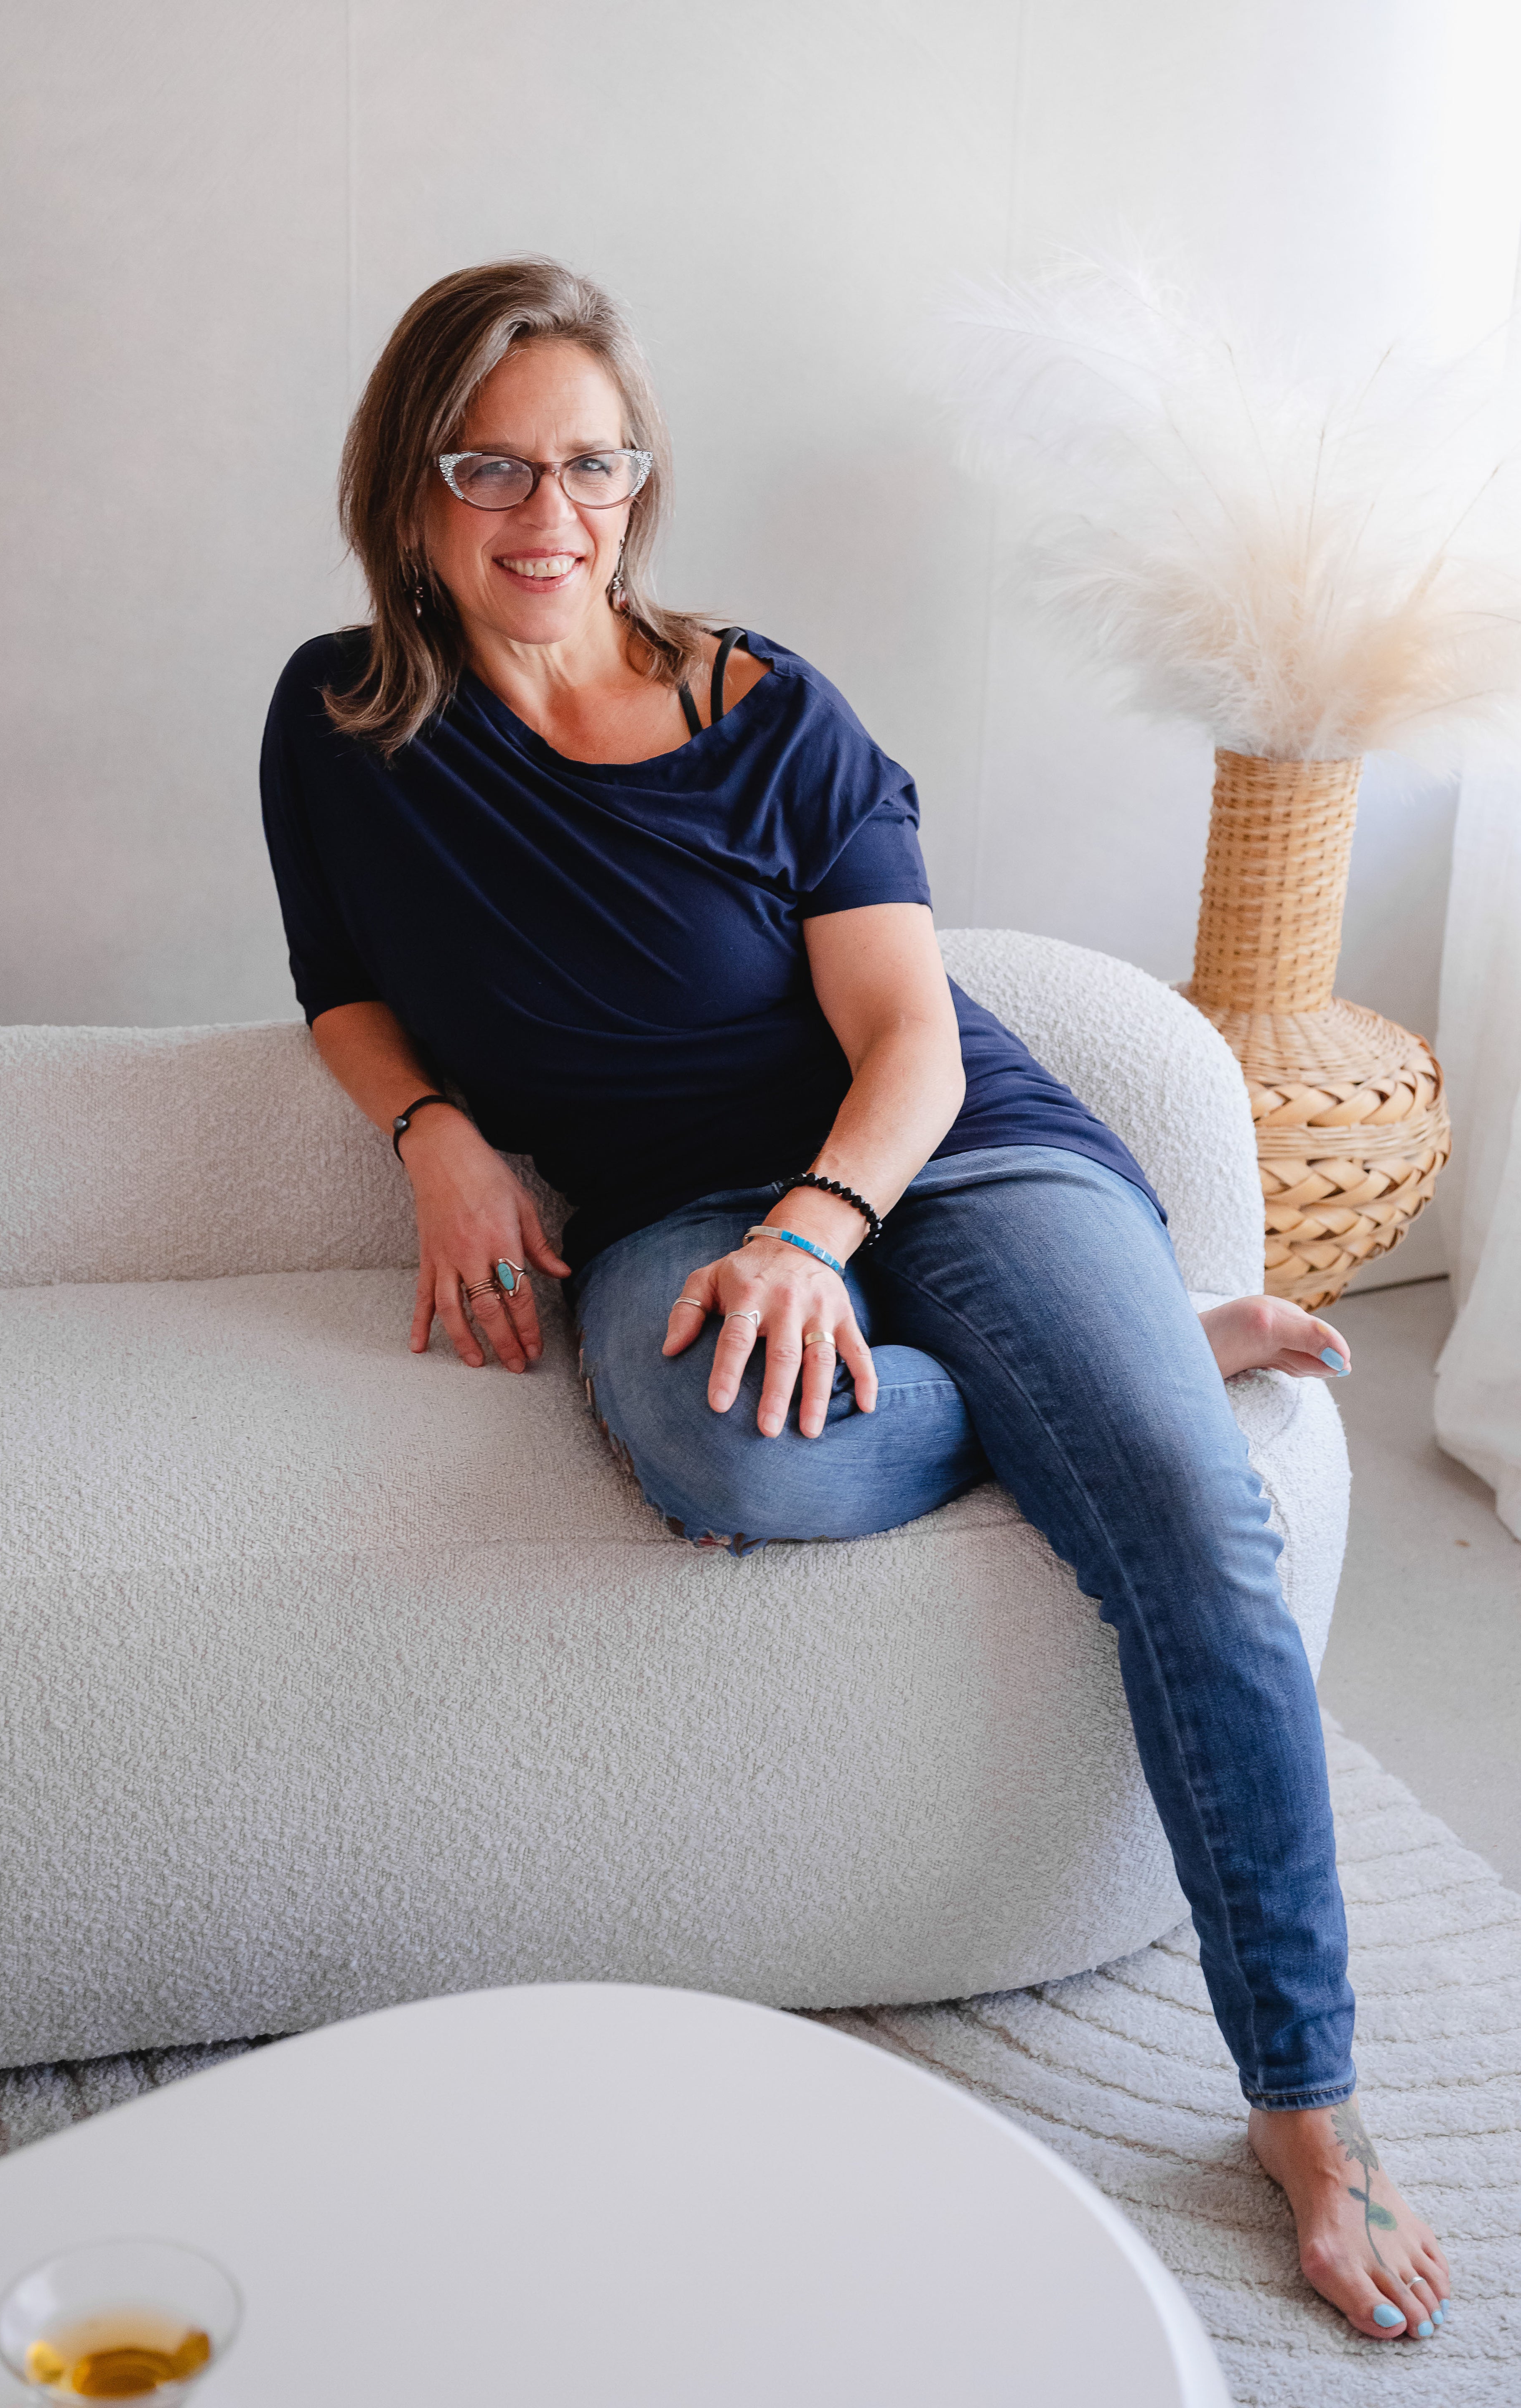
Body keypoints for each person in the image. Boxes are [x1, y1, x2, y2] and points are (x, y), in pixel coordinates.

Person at [260, 257, 1449, 2343]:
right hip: (676, 1206)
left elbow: (909, 1039)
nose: (553, 515)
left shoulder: (768, 712)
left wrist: (816, 1233)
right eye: (493, 466)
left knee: (1194, 1519)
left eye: (595, 465)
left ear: (641, 481)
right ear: (407, 486)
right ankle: (1105, 1373)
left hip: (943, 1153)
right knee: (726, 1451)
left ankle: (1308, 2101)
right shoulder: (343, 723)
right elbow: (341, 987)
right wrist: (434, 1133)